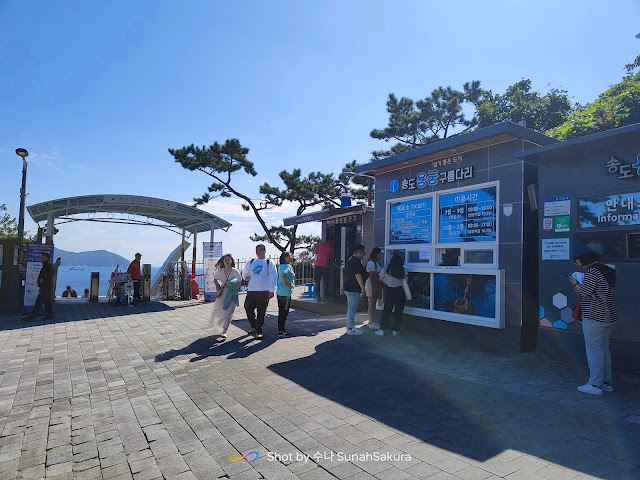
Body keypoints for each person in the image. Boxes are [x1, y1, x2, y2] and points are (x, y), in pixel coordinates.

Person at [568, 250, 617, 395]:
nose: (579, 266)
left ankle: (595, 385)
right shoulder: (608, 270)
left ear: (584, 259)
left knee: (594, 350)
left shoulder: (592, 272)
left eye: (578, 263)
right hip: (609, 314)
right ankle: (606, 383)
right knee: (603, 349)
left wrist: (576, 283)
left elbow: (585, 292)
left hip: (595, 315)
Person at [243, 244, 277, 339]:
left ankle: (259, 330)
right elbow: (245, 272)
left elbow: (273, 276)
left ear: (265, 251)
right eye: (258, 251)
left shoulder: (269, 262)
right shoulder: (251, 262)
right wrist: (245, 277)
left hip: (264, 291)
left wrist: (271, 290)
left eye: (262, 250)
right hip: (252, 290)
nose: (259, 253)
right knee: (248, 307)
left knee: (261, 311)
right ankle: (253, 325)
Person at [208, 254, 242, 340]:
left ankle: (224, 331)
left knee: (229, 312)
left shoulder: (234, 271)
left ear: (231, 261)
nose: (227, 261)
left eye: (229, 260)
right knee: (222, 310)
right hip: (223, 293)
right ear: (223, 261)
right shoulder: (220, 270)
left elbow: (240, 282)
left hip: (232, 294)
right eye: (225, 260)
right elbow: (215, 279)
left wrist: (231, 284)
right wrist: (217, 285)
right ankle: (224, 326)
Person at [376, 254, 408, 337]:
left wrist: (386, 281)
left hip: (390, 291)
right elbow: (406, 279)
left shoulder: (386, 269)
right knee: (399, 311)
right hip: (400, 291)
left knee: (387, 310)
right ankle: (395, 330)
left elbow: (380, 278)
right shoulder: (402, 269)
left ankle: (382, 329)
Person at [23, 252, 55, 321]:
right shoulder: (48, 264)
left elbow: (47, 275)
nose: (41, 258)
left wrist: (41, 280)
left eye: (42, 256)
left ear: (45, 257)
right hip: (46, 286)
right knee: (47, 301)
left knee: (39, 301)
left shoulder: (48, 265)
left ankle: (32, 316)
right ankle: (50, 314)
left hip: (45, 286)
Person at [344, 244, 367, 335]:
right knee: (352, 308)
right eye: (363, 253)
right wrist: (362, 287)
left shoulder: (351, 260)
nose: (363, 255)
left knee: (351, 308)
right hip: (353, 288)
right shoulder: (355, 262)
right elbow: (358, 275)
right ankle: (350, 328)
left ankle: (350, 327)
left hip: (349, 288)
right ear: (360, 253)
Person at [276, 251, 295, 338]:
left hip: (279, 292)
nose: (291, 257)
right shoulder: (288, 266)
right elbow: (284, 275)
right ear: (285, 258)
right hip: (286, 293)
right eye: (290, 256)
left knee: (281, 311)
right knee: (285, 312)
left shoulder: (280, 266)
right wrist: (287, 284)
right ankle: (281, 330)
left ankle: (280, 329)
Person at [365, 247, 384, 330]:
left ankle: (371, 321)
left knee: (373, 302)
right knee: (371, 303)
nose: (380, 255)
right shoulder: (371, 263)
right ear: (376, 254)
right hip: (371, 284)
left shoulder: (377, 262)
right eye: (379, 254)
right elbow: (371, 275)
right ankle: (371, 322)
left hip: (375, 284)